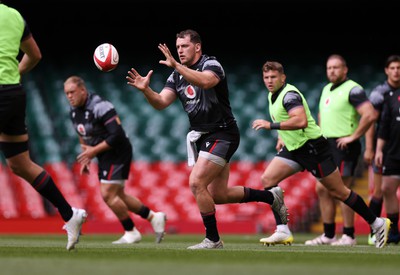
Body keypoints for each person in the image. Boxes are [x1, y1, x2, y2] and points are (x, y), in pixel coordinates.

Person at [126, 29, 288, 249]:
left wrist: (176, 65)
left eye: (184, 46)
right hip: (203, 137)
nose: (180, 50)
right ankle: (271, 197)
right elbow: (161, 102)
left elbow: (205, 82)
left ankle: (213, 239)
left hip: (223, 133)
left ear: (197, 47)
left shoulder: (211, 65)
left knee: (196, 182)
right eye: (178, 47)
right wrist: (146, 91)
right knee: (218, 195)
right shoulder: (176, 76)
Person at [252, 60, 390, 248]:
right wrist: (281, 136)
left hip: (313, 149)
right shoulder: (273, 95)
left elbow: (300, 121)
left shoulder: (289, 95)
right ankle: (283, 230)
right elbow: (285, 117)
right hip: (294, 148)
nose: (269, 80)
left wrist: (271, 125)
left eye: (273, 77)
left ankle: (377, 223)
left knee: (339, 191)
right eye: (266, 77)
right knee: (268, 179)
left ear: (282, 78)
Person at [0, 2, 87, 251]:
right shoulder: (14, 14)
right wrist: (13, 74)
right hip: (14, 93)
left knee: (20, 164)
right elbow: (35, 55)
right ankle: (70, 214)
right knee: (19, 163)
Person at [63, 76, 167, 244]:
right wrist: (86, 158)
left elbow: (116, 135)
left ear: (83, 90)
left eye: (72, 92)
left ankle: (131, 231)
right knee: (118, 195)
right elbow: (82, 134)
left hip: (118, 150)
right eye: (66, 93)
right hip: (104, 153)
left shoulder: (100, 106)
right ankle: (154, 217)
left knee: (107, 194)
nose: (69, 96)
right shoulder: (74, 111)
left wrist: (92, 152)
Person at [305, 54, 377, 246]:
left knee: (342, 189)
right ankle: (329, 234)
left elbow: (370, 115)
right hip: (327, 145)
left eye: (336, 67)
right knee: (322, 188)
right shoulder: (326, 89)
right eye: (329, 68)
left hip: (344, 145)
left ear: (345, 70)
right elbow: (322, 115)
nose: (332, 71)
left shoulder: (353, 89)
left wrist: (355, 137)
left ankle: (349, 235)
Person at [364, 55, 400, 245]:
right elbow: (371, 122)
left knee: (385, 190)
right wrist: (370, 148)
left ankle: (391, 232)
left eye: (398, 67)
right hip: (386, 150)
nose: (396, 71)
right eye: (392, 68)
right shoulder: (379, 93)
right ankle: (375, 231)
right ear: (387, 70)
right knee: (379, 191)